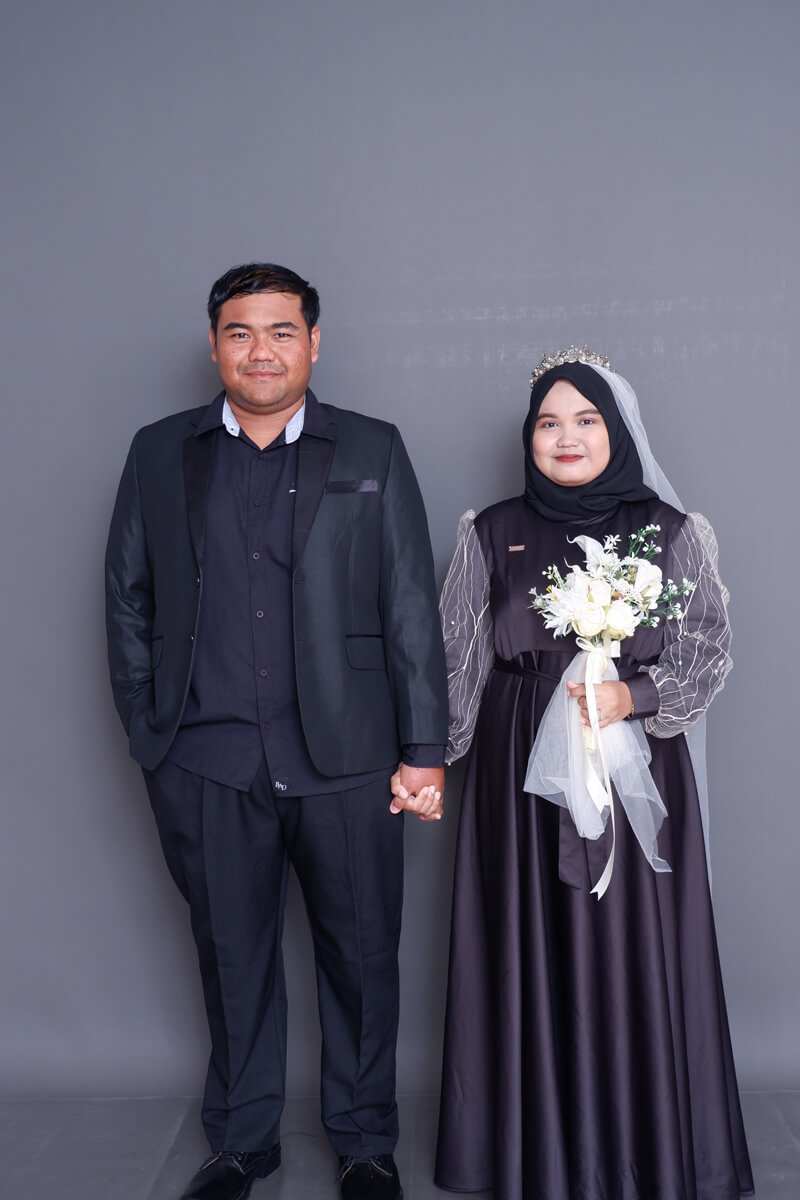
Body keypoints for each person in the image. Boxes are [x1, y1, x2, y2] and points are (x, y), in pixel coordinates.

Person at [105, 263, 448, 1200]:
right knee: (233, 958)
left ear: (314, 343)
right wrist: (150, 728)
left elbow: (410, 604)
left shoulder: (372, 448)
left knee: (363, 959)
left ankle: (365, 1143)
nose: (262, 350)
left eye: (282, 331)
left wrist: (424, 750)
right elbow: (128, 596)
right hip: (206, 758)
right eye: (241, 332)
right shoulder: (158, 452)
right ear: (216, 345)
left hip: (350, 760)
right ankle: (243, 1143)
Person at [420, 349, 754, 1200]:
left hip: (633, 770)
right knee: (524, 947)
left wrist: (631, 696)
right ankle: (535, 1153)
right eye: (548, 421)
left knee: (631, 947)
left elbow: (705, 649)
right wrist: (427, 761)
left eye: (586, 419)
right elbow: (454, 662)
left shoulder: (669, 531)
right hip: (518, 779)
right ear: (528, 436)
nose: (565, 436)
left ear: (618, 431)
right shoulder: (490, 532)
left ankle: (645, 1151)